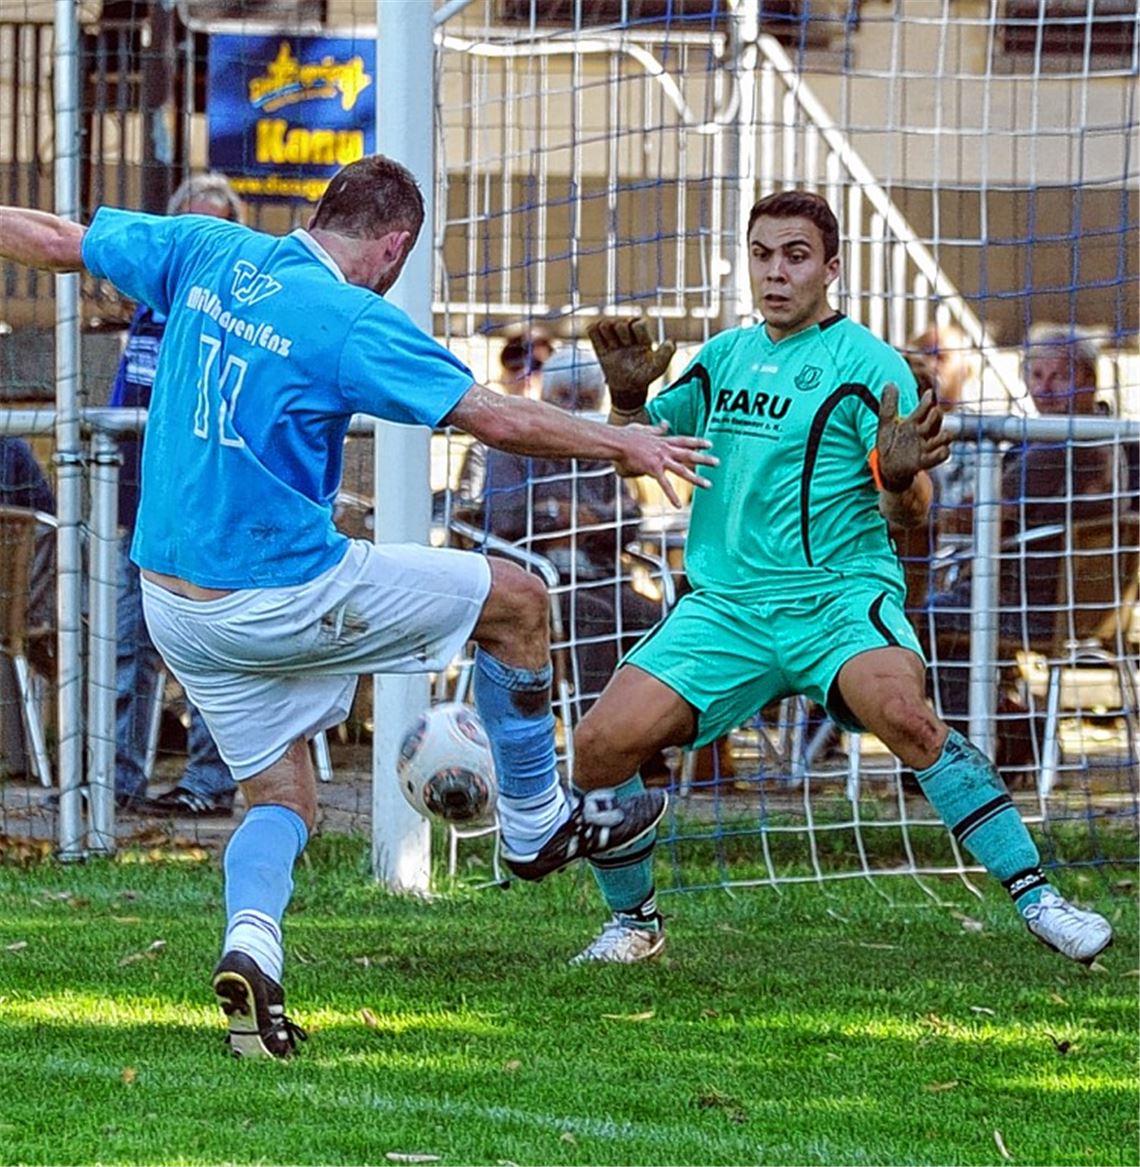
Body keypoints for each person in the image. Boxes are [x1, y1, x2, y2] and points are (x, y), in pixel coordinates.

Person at [0, 154, 715, 1058]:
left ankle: (251, 950)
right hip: (281, 591)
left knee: (283, 794)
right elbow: (491, 415)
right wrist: (624, 443)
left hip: (176, 606)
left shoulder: (205, 249)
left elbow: (60, 240)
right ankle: (535, 823)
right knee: (520, 601)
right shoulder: (350, 320)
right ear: (393, 245)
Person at [569, 189, 1113, 968]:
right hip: (727, 607)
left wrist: (895, 477)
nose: (775, 273)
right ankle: (634, 923)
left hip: (837, 599)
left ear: (829, 267)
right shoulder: (721, 357)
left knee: (909, 719)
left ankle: (1041, 899)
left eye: (794, 256)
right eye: (762, 255)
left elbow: (911, 514)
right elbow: (638, 449)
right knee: (596, 745)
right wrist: (626, 397)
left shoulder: (869, 365)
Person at [110, 174, 243, 816]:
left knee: (207, 656)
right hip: (137, 512)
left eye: (215, 231)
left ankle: (208, 785)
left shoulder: (235, 321)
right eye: (188, 229)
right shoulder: (147, 310)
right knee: (127, 651)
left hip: (207, 517)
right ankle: (117, 785)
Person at [927, 325, 1124, 740]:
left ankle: (998, 734)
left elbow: (980, 515)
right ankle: (1003, 728)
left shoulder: (1059, 443)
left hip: (1028, 606)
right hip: (1094, 610)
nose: (1045, 388)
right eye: (1036, 376)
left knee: (911, 620)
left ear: (1088, 380)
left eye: (1060, 376)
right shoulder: (1117, 435)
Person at [475, 344, 663, 710]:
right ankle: (594, 731)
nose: (578, 409)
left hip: (600, 577)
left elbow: (629, 521)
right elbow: (506, 517)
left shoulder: (601, 448)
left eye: (589, 400)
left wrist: (570, 515)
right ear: (548, 396)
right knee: (594, 618)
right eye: (567, 398)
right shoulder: (512, 448)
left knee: (657, 618)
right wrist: (583, 517)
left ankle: (647, 741)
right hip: (538, 578)